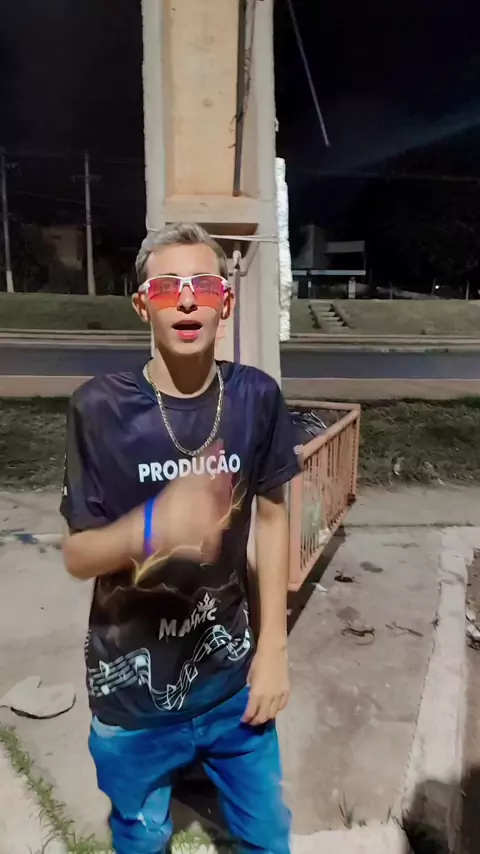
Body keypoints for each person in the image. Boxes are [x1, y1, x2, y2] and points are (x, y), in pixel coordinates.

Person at [61, 222, 301, 854]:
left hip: (233, 687)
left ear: (226, 301)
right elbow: (77, 555)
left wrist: (273, 651)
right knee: (141, 839)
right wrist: (153, 528)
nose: (188, 300)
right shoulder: (99, 409)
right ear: (143, 305)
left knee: (268, 837)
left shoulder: (256, 399)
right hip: (131, 702)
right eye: (168, 287)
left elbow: (273, 520)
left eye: (204, 286)